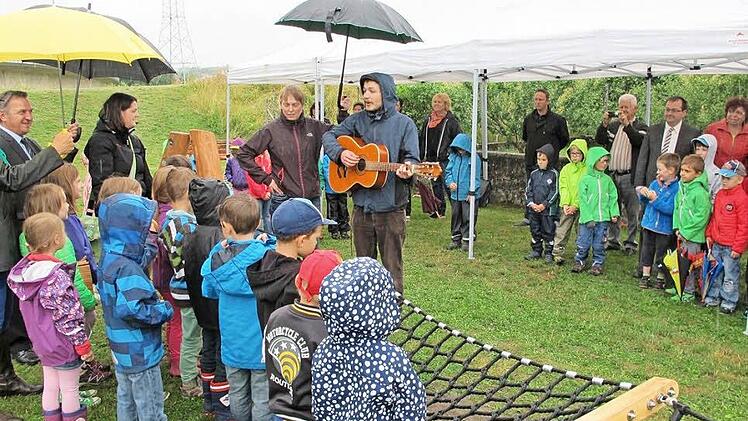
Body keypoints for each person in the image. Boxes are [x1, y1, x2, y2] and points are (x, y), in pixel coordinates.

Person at [0, 90, 79, 368]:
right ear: (3, 115)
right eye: (22, 112)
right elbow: (13, 178)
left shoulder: (29, 143)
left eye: (30, 111)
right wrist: (54, 150)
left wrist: (68, 146)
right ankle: (17, 345)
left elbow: (43, 170)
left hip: (33, 222)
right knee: (15, 291)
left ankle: (28, 342)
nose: (29, 116)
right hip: (14, 224)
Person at [322, 73, 419, 294]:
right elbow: (329, 137)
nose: (366, 95)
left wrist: (408, 169)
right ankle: (365, 315)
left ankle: (392, 314)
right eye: (364, 90)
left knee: (391, 269)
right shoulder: (357, 121)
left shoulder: (405, 124)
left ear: (385, 93)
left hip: (391, 209)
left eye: (371, 91)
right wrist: (340, 153)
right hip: (361, 208)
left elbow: (412, 158)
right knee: (362, 269)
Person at [311, 257, 426, 420]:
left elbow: (320, 407)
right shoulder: (390, 358)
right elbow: (412, 409)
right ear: (381, 306)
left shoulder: (324, 351)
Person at [19, 184, 111, 386]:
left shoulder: (27, 238)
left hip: (42, 317)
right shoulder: (63, 245)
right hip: (69, 308)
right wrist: (88, 301)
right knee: (76, 339)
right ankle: (81, 371)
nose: (69, 204)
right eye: (64, 201)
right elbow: (74, 279)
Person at [8, 212, 94, 421]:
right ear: (57, 239)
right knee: (70, 388)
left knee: (51, 385)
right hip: (62, 344)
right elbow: (68, 316)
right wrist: (82, 343)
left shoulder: (26, 274)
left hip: (41, 343)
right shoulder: (55, 277)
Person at [97, 192, 173, 420]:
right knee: (149, 403)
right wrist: (163, 310)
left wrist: (149, 239)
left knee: (126, 398)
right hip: (141, 352)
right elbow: (133, 309)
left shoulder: (110, 257)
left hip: (121, 350)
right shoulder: (128, 270)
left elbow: (137, 257)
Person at [201, 194, 275, 421]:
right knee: (263, 395)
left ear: (226, 226)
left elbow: (209, 289)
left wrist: (217, 251)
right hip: (261, 341)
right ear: (257, 223)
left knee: (238, 393)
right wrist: (268, 240)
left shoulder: (218, 257)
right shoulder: (267, 255)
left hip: (232, 342)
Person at [264, 249, 341, 421]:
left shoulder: (276, 316)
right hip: (312, 413)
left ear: (298, 283)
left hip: (281, 407)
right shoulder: (329, 329)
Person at [236, 85, 331, 216]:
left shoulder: (315, 127)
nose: (290, 109)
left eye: (295, 105)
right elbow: (243, 154)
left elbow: (341, 132)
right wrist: (266, 179)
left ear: (302, 105)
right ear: (280, 105)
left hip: (311, 197)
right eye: (286, 105)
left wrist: (343, 113)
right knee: (284, 236)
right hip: (283, 197)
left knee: (310, 236)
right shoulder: (271, 130)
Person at [183, 178, 232, 419]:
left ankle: (207, 398)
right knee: (223, 352)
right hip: (219, 307)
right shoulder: (221, 239)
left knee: (208, 348)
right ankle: (222, 400)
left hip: (200, 306)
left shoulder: (191, 234)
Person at [248, 198, 334, 333]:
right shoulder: (299, 279)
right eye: (316, 238)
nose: (317, 243)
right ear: (301, 241)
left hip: (274, 345)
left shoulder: (264, 265)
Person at [159, 167, 203, 398]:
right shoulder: (187, 226)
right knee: (192, 335)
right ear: (188, 193)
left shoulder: (169, 221)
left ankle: (191, 368)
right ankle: (189, 382)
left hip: (179, 286)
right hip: (188, 287)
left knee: (192, 332)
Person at [595, 93, 648, 254]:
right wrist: (604, 124)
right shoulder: (613, 126)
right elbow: (600, 140)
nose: (623, 111)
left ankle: (631, 242)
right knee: (613, 208)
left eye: (626, 107)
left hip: (630, 175)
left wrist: (627, 125)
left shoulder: (641, 127)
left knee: (633, 211)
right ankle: (613, 239)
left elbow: (638, 141)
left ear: (635, 109)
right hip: (613, 174)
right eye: (621, 107)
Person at [84, 92, 153, 211]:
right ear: (119, 112)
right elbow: (102, 185)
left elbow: (146, 178)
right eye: (133, 111)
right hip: (116, 211)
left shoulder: (134, 141)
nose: (137, 115)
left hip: (138, 208)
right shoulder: (100, 141)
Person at [517, 89, 570, 226]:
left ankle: (552, 216)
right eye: (536, 99)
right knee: (532, 188)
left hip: (550, 163)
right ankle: (530, 216)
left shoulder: (558, 120)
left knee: (551, 189)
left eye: (540, 99)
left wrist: (552, 150)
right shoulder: (528, 119)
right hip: (531, 161)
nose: (538, 102)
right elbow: (525, 138)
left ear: (547, 101)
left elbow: (564, 139)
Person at [150, 165, 182, 377]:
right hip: (171, 277)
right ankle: (178, 363)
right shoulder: (171, 218)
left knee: (173, 319)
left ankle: (174, 355)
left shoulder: (156, 213)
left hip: (161, 277)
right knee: (178, 320)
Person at [704, 160, 748, 314]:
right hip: (716, 242)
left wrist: (738, 247)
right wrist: (709, 233)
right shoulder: (720, 194)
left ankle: (729, 300)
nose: (723, 181)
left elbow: (744, 225)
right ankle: (712, 296)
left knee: (730, 274)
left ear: (740, 179)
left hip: (731, 246)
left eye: (728, 178)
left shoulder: (742, 199)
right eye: (722, 177)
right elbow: (714, 217)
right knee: (715, 271)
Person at [572, 147, 620, 276]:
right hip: (587, 220)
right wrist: (588, 218)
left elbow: (613, 196)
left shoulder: (607, 180)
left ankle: (597, 263)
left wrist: (613, 212)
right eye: (602, 161)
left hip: (602, 219)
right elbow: (582, 199)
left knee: (600, 243)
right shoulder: (585, 179)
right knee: (583, 242)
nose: (605, 164)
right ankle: (579, 261)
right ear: (593, 161)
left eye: (607, 161)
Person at [634, 96, 701, 188]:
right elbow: (643, 159)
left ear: (684, 113)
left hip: (678, 187)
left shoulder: (693, 134)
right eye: (667, 110)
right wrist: (639, 185)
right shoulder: (653, 131)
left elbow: (694, 163)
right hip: (652, 185)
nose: (669, 113)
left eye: (674, 110)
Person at [636, 153, 680, 289]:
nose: (657, 172)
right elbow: (645, 201)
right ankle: (645, 276)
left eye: (660, 169)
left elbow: (670, 209)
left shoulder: (677, 188)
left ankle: (661, 278)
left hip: (664, 228)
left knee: (662, 254)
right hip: (649, 224)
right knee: (646, 251)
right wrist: (643, 194)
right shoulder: (655, 183)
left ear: (671, 170)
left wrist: (655, 200)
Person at [672, 154, 711, 303]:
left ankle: (688, 291)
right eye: (681, 170)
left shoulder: (700, 193)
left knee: (691, 265)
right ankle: (680, 287)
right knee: (681, 263)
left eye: (687, 171)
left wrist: (686, 232)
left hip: (693, 237)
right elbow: (677, 208)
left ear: (698, 174)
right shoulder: (682, 188)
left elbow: (701, 217)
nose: (682, 173)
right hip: (681, 233)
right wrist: (677, 227)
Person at [418, 93, 462, 218]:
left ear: (445, 105)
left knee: (449, 185)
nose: (436, 104)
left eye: (439, 102)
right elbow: (422, 138)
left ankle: (457, 211)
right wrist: (422, 155)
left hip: (445, 159)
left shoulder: (451, 121)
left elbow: (458, 139)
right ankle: (438, 210)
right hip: (431, 158)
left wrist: (449, 152)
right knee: (435, 185)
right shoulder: (428, 120)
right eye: (435, 101)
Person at [552, 139, 588, 265]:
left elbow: (585, 190)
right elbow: (563, 187)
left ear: (584, 154)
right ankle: (557, 252)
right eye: (573, 153)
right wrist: (566, 204)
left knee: (581, 232)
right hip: (567, 207)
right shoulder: (566, 169)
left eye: (578, 153)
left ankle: (581, 254)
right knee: (562, 229)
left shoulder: (587, 170)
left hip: (582, 207)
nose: (575, 156)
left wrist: (576, 205)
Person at [444, 133, 481, 252]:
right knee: (456, 216)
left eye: (462, 148)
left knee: (468, 217)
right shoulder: (453, 157)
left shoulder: (474, 158)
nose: (460, 151)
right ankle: (456, 239)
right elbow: (448, 172)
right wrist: (450, 183)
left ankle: (467, 239)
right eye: (457, 148)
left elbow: (476, 177)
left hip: (468, 195)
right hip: (455, 195)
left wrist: (472, 192)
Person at [524, 144, 559, 262]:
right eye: (539, 159)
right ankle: (536, 250)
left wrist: (544, 204)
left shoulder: (554, 174)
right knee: (535, 229)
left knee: (548, 231)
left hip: (547, 210)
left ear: (550, 160)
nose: (540, 162)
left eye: (543, 160)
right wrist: (531, 203)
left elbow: (555, 191)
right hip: (534, 209)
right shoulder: (534, 174)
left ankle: (549, 252)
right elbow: (528, 190)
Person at [705, 96, 748, 168]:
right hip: (714, 175)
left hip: (738, 177)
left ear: (746, 116)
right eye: (730, 111)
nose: (734, 115)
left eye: (739, 113)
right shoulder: (712, 129)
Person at [319, 154, 350, 239]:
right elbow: (326, 172)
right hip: (331, 190)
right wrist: (333, 184)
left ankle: (344, 230)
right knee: (333, 210)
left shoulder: (344, 156)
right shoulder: (326, 158)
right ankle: (334, 231)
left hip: (342, 189)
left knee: (343, 209)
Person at [691, 135, 721, 202]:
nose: (699, 153)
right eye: (697, 149)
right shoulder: (689, 168)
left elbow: (717, 195)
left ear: (711, 151)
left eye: (704, 150)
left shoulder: (716, 173)